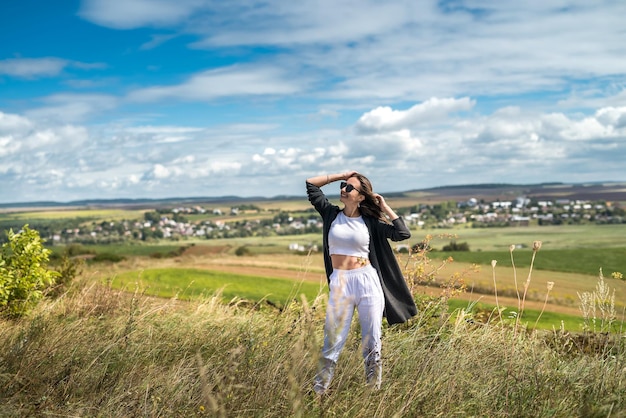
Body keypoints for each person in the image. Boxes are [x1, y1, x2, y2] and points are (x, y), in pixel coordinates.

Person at [306, 171, 417, 395]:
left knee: (372, 342)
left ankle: (372, 393)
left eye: (349, 188)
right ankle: (318, 392)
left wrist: (384, 206)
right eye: (343, 186)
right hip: (340, 282)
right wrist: (344, 175)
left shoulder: (370, 223)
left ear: (360, 197)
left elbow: (402, 233)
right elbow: (311, 185)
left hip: (367, 281)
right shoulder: (330, 214)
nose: (343, 189)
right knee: (332, 342)